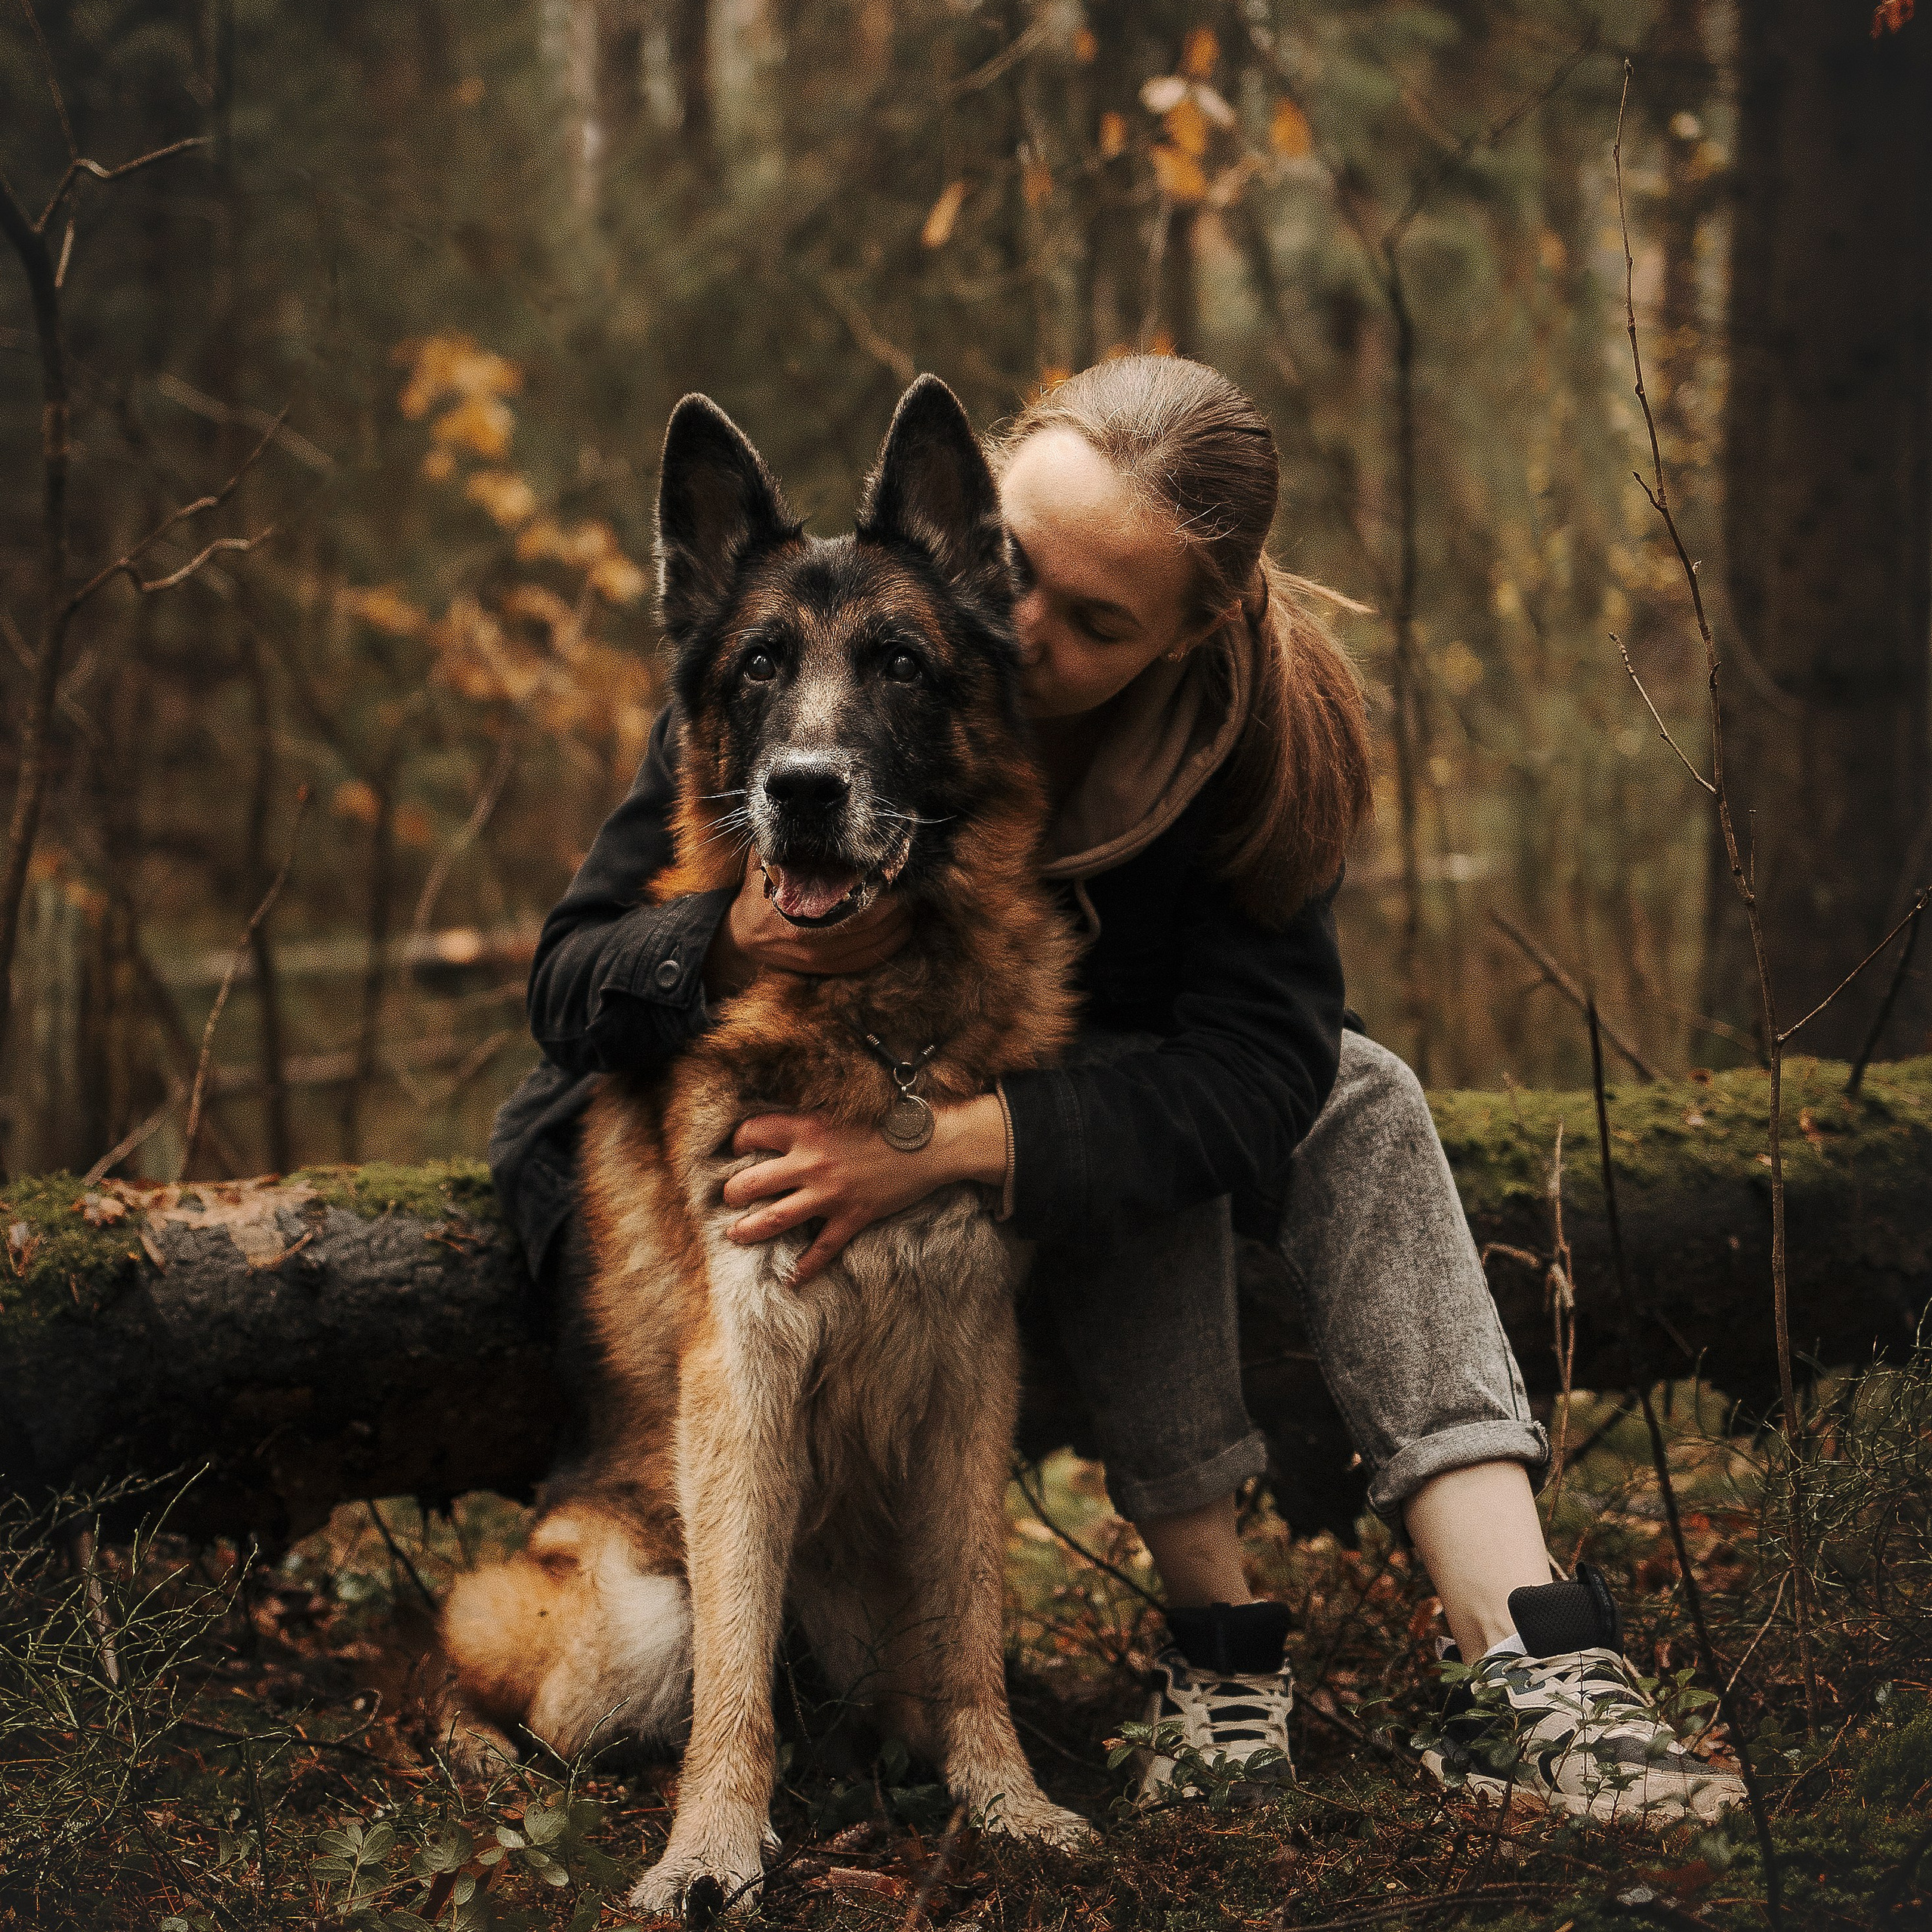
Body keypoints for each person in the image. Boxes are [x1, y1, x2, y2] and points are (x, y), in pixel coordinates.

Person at [489, 356, 1744, 1825]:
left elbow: (1264, 1067)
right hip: (730, 1206)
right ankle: (1158, 1648)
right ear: (977, 517)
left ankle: (1527, 1652)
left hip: (1004, 1180)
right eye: (1013, 566)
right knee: (1122, 1103)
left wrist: (945, 1141)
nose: (1013, 625)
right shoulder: (803, 669)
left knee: (1350, 1088)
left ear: (1194, 625)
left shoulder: (1252, 747)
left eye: (1093, 621)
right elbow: (571, 977)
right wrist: (727, 932)